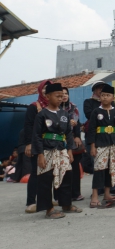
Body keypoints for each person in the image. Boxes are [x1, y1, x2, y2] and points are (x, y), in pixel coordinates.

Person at [32, 83, 82, 219]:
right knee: (46, 179)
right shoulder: (42, 115)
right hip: (47, 150)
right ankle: (49, 208)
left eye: (62, 96)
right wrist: (40, 155)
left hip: (61, 150)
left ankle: (66, 204)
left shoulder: (64, 114)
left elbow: (69, 133)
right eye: (57, 96)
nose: (60, 98)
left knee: (67, 175)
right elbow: (36, 135)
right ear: (47, 96)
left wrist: (70, 150)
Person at [86, 84, 115, 208]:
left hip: (114, 143)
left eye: (107, 95)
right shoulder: (96, 112)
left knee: (111, 169)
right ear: (100, 97)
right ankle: (94, 196)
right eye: (103, 95)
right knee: (99, 169)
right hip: (100, 144)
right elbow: (92, 129)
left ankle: (107, 194)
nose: (104, 97)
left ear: (113, 98)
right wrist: (92, 146)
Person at [23, 80, 52, 213]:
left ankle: (45, 200)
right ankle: (30, 202)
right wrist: (29, 143)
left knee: (48, 173)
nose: (46, 91)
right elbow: (28, 127)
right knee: (35, 172)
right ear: (40, 90)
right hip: (36, 143)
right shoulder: (33, 107)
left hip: (50, 144)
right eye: (44, 89)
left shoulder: (53, 108)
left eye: (49, 89)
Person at [60, 87, 85, 201]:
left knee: (74, 168)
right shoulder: (55, 108)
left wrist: (77, 136)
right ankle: (62, 195)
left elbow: (78, 123)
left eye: (66, 93)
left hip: (72, 141)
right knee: (62, 169)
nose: (64, 95)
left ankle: (76, 193)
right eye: (62, 93)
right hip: (60, 141)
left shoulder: (73, 107)